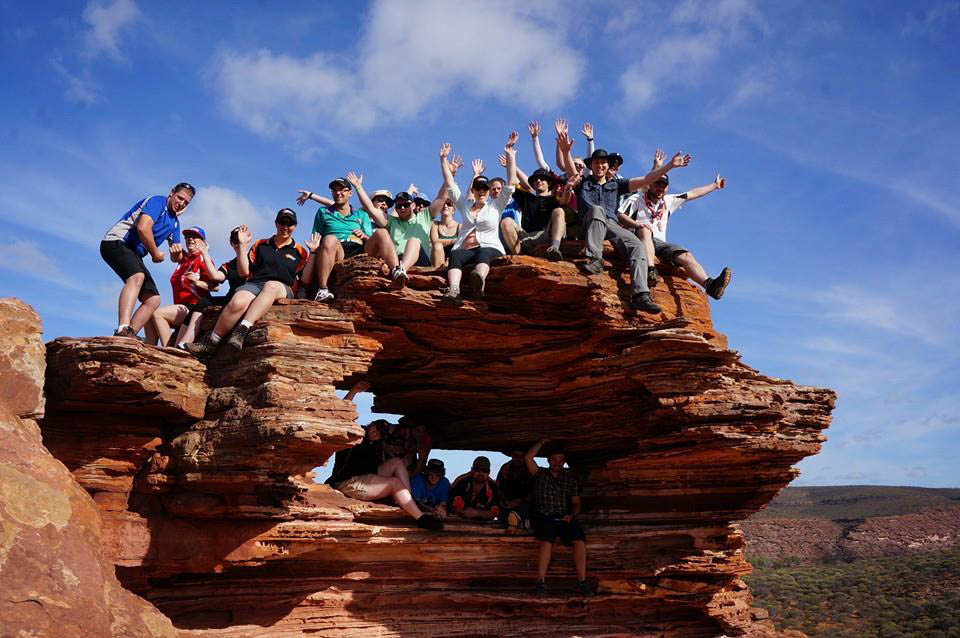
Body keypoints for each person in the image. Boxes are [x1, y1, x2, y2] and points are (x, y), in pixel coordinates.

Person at [560, 133, 691, 315]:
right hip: (589, 224)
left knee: (637, 245)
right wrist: (566, 151)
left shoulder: (617, 184)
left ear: (608, 165)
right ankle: (595, 260)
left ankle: (641, 295)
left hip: (612, 225)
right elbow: (570, 169)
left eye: (603, 162)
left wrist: (669, 165)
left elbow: (646, 180)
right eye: (596, 162)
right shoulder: (583, 182)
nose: (600, 165)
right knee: (597, 210)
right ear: (591, 165)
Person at [185, 209, 308, 355]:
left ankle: (242, 330)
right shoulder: (260, 244)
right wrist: (242, 246)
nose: (285, 227)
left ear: (295, 226)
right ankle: (210, 343)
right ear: (276, 223)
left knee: (271, 286)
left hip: (282, 288)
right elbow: (244, 273)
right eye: (282, 222)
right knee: (238, 300)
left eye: (290, 223)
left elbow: (305, 279)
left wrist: (313, 252)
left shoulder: (300, 251)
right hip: (256, 284)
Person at [100, 182, 195, 339]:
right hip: (116, 242)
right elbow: (143, 228)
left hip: (134, 254)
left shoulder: (175, 223)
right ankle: (123, 327)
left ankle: (128, 335)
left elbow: (176, 258)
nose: (181, 203)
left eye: (186, 202)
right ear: (172, 193)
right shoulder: (158, 202)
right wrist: (155, 253)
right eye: (180, 198)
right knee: (137, 276)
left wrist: (177, 253)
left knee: (153, 299)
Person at [618, 171, 732, 300]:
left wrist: (714, 186)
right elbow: (621, 215)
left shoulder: (668, 201)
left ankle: (711, 285)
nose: (660, 188)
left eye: (663, 185)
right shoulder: (637, 199)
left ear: (667, 188)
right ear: (650, 184)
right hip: (639, 237)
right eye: (657, 184)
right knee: (645, 230)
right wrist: (637, 224)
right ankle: (650, 270)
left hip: (659, 243)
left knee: (686, 255)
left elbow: (693, 194)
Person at [438, 135, 516, 305]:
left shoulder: (495, 205)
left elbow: (511, 182)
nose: (482, 191)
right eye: (478, 188)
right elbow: (450, 184)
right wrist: (443, 159)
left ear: (488, 191)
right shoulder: (465, 205)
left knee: (484, 252)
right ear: (473, 190)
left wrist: (510, 155)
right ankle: (454, 290)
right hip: (466, 250)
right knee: (455, 254)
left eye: (485, 188)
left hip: (490, 248)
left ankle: (478, 279)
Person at [300, 176, 404, 303]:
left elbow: (370, 238)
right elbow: (317, 237)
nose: (338, 193)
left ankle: (396, 271)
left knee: (382, 232)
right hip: (338, 250)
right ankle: (323, 289)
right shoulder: (323, 212)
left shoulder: (361, 214)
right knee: (330, 239)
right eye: (334, 190)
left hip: (360, 250)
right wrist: (314, 250)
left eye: (342, 190)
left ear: (350, 193)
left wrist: (365, 236)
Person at [327, 421, 443, 530]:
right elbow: (357, 463)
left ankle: (408, 501)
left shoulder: (375, 444)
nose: (377, 433)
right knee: (395, 483)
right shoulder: (357, 436)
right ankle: (421, 519)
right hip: (348, 482)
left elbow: (374, 466)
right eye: (377, 427)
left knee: (397, 462)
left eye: (382, 433)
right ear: (372, 424)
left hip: (365, 476)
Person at [525, 439, 590, 596]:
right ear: (548, 460)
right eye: (554, 459)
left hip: (563, 516)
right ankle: (540, 582)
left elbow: (576, 503)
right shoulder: (540, 474)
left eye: (561, 460)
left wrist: (571, 515)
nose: (557, 463)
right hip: (543, 515)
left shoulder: (570, 480)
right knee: (547, 539)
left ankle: (581, 582)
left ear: (564, 462)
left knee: (579, 540)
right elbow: (528, 458)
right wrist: (542, 442)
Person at [170, 225, 252, 349]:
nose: (239, 243)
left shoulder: (254, 258)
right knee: (202, 302)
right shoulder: (229, 265)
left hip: (246, 298)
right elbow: (216, 277)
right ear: (231, 243)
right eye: (236, 240)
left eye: (241, 239)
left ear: (247, 240)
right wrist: (205, 253)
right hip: (230, 298)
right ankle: (181, 344)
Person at [145, 227, 218, 346]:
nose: (190, 239)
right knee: (147, 313)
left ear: (203, 242)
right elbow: (174, 247)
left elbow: (215, 286)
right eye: (187, 237)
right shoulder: (185, 259)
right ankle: (149, 348)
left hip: (194, 307)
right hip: (180, 307)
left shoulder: (202, 259)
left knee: (157, 313)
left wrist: (197, 282)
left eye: (194, 236)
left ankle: (167, 350)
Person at [355, 186, 433, 275]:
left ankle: (400, 270)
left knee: (414, 240)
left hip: (418, 259)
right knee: (381, 232)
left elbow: (441, 198)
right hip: (393, 259)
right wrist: (358, 187)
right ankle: (399, 271)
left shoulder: (423, 217)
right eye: (399, 206)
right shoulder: (389, 221)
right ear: (396, 208)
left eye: (406, 205)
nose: (402, 208)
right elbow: (370, 208)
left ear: (413, 205)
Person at [500, 166, 571, 261]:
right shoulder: (527, 197)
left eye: (542, 179)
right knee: (506, 222)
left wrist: (568, 188)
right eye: (535, 179)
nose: (538, 180)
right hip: (526, 237)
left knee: (559, 211)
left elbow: (564, 201)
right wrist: (510, 161)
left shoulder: (554, 199)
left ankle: (554, 248)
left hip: (546, 235)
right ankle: (520, 258)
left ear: (549, 183)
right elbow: (512, 184)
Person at [448, 456, 501, 521]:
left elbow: (494, 513)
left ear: (489, 472)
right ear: (472, 470)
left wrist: (476, 513)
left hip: (482, 524)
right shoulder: (460, 482)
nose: (481, 473)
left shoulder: (493, 487)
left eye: (485, 471)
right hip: (457, 520)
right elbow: (449, 505)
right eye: (477, 470)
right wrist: (460, 512)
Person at [497, 446, 534, 529]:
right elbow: (498, 488)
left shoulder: (530, 469)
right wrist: (505, 501)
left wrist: (519, 501)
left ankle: (517, 521)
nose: (518, 459)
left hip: (524, 505)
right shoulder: (505, 468)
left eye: (521, 457)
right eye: (516, 456)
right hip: (507, 504)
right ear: (512, 456)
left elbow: (534, 493)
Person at [429, 198, 460, 268]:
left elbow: (461, 244)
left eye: (449, 204)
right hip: (437, 258)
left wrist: (449, 259)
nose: (445, 206)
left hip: (453, 258)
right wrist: (453, 241)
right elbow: (434, 241)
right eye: (443, 204)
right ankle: (438, 272)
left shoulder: (459, 226)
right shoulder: (435, 224)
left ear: (453, 211)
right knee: (437, 246)